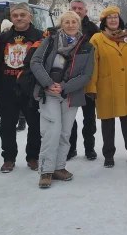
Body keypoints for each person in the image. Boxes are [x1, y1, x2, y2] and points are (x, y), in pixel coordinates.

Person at [30, 11, 94, 188]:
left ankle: (59, 167)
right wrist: (48, 83)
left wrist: (65, 87)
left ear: (78, 24)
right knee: (52, 131)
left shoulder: (87, 46)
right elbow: (36, 62)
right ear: (61, 24)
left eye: (74, 22)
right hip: (48, 92)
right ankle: (46, 170)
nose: (71, 25)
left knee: (65, 133)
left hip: (70, 94)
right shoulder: (50, 40)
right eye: (67, 22)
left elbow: (86, 74)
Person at [85, 6, 127, 168]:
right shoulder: (97, 39)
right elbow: (92, 65)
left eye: (116, 17)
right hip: (106, 87)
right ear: (104, 21)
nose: (113, 20)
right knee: (107, 124)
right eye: (110, 17)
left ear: (120, 20)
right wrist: (91, 87)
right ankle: (108, 155)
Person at [0, 2, 44, 172]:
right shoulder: (3, 38)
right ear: (11, 18)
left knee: (35, 125)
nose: (19, 18)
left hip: (31, 89)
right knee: (7, 125)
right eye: (15, 15)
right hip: (7, 87)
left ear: (30, 16)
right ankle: (9, 158)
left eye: (22, 15)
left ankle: (33, 156)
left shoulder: (40, 37)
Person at [67, 0, 100, 160]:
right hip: (68, 79)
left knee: (89, 118)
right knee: (69, 118)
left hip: (88, 79)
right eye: (74, 8)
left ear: (85, 11)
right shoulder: (63, 27)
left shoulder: (93, 29)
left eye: (80, 8)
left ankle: (89, 148)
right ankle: (70, 148)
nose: (77, 10)